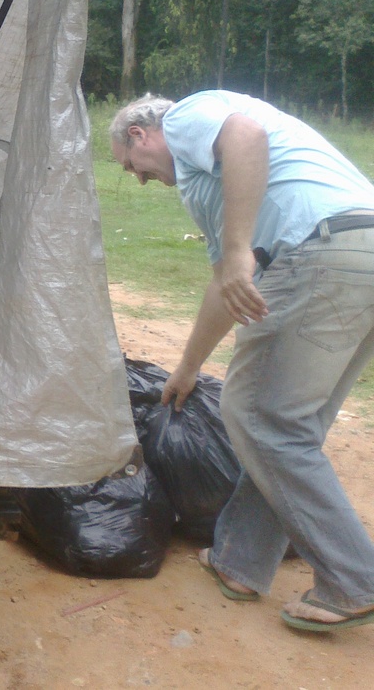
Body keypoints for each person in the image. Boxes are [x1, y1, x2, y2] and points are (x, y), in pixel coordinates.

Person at [110, 89, 374, 632]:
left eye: (130, 165)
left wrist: (237, 252)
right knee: (285, 427)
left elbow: (245, 134)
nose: (138, 178)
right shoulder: (209, 187)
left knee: (263, 420)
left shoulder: (186, 117)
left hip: (321, 251)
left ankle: (354, 581)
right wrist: (187, 366)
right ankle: (240, 561)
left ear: (140, 135)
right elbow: (225, 288)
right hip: (358, 250)